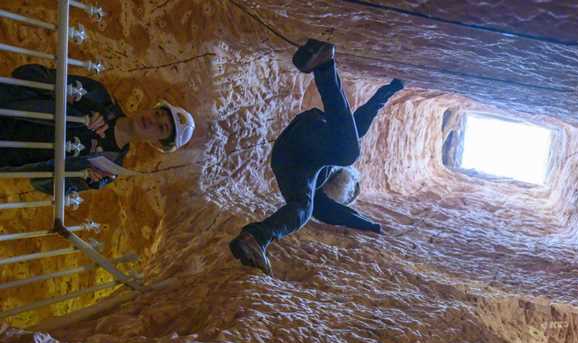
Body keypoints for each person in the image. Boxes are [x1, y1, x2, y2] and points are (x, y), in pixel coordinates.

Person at [228, 39, 404, 276]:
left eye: (347, 197)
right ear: (349, 178)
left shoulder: (315, 192)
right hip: (307, 135)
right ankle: (324, 66)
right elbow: (362, 118)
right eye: (352, 191)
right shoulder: (338, 157)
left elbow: (339, 215)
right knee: (350, 146)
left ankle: (255, 237)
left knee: (304, 208)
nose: (346, 194)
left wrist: (369, 225)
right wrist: (390, 89)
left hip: (290, 159)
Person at [0, 63, 195, 194]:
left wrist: (82, 178)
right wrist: (66, 93)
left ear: (157, 144)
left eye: (162, 128)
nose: (153, 121)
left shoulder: (107, 169)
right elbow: (25, 74)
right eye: (158, 114)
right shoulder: (98, 96)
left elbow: (42, 184)